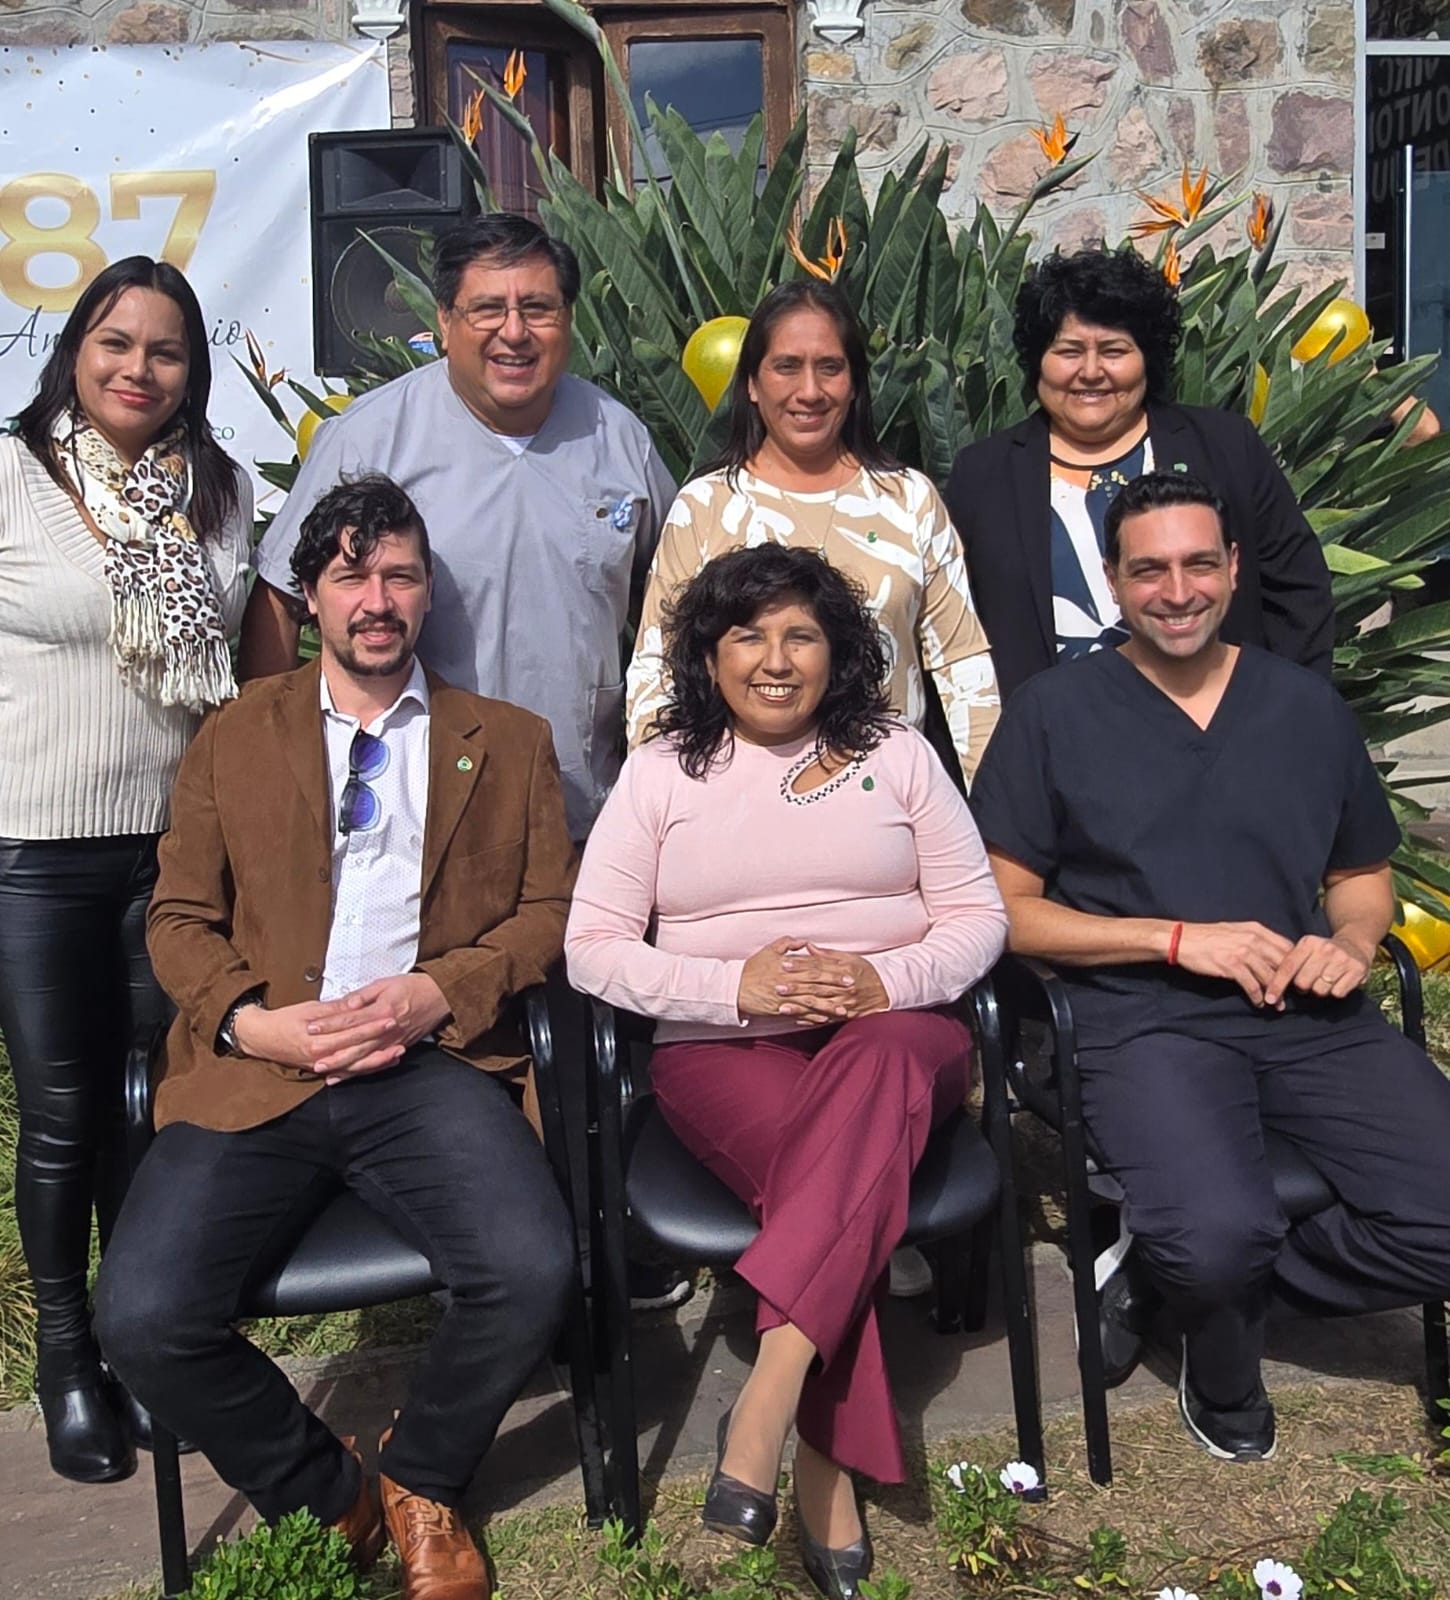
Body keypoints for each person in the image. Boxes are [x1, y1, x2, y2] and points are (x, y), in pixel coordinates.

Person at [95, 475, 576, 1599]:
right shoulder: (234, 735)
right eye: (352, 575)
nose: (377, 599)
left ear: (427, 593)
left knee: (531, 1268)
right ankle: (329, 1496)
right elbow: (177, 918)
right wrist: (250, 1019)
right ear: (309, 596)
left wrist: (434, 993)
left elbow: (547, 913)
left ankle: (422, 1476)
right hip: (261, 1071)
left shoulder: (507, 742)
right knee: (144, 1318)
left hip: (426, 1066)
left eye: (400, 575)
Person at [970, 471, 1450, 1463]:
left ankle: (1165, 1278)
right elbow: (1005, 912)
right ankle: (1216, 1341)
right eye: (1148, 570)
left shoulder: (1304, 707)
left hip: (1309, 1018)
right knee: (1219, 1235)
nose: (1177, 590)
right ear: (1113, 582)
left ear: (1233, 569)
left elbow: (1360, 878)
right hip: (1142, 1022)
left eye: (1198, 564)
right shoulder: (1053, 714)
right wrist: (1176, 939)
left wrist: (1350, 943)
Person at [567, 544, 1006, 1598]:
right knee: (835, 1187)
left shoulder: (898, 754)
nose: (775, 659)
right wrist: (737, 988)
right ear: (707, 655)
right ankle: (821, 1458)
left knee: (870, 1076)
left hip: (898, 1034)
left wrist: (882, 979)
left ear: (836, 650)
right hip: (726, 1047)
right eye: (748, 636)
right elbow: (593, 949)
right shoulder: (662, 771)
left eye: (800, 634)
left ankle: (767, 1398)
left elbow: (977, 917)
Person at [0, 256, 252, 1484]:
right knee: (64, 1114)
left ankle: (139, 1339)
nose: (137, 369)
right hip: (32, 855)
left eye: (164, 350)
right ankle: (66, 1363)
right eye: (115, 342)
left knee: (151, 1105)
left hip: (171, 855)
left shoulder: (220, 490)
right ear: (75, 352)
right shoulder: (10, 475)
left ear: (191, 370)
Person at [241, 211, 675, 842]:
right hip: (413, 823)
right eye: (487, 310)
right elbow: (282, 599)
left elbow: (675, 598)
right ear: (445, 322)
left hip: (583, 814)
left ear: (568, 319)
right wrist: (273, 765)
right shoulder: (369, 438)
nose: (514, 332)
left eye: (538, 308)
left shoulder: (618, 437)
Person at [626, 279, 1000, 790]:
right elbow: (658, 670)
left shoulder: (909, 500)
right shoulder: (706, 507)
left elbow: (962, 665)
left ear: (855, 383)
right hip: (734, 802)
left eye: (830, 367)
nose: (810, 391)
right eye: (787, 366)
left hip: (884, 799)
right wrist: (657, 798)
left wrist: (996, 809)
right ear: (751, 384)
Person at [945, 246, 1335, 700]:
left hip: (1219, 724)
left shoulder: (1225, 448)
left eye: (1114, 351)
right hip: (1048, 733)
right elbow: (952, 629)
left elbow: (1299, 593)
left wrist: (1285, 712)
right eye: (1069, 351)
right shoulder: (983, 474)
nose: (1091, 372)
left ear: (1147, 357)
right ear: (1038, 361)